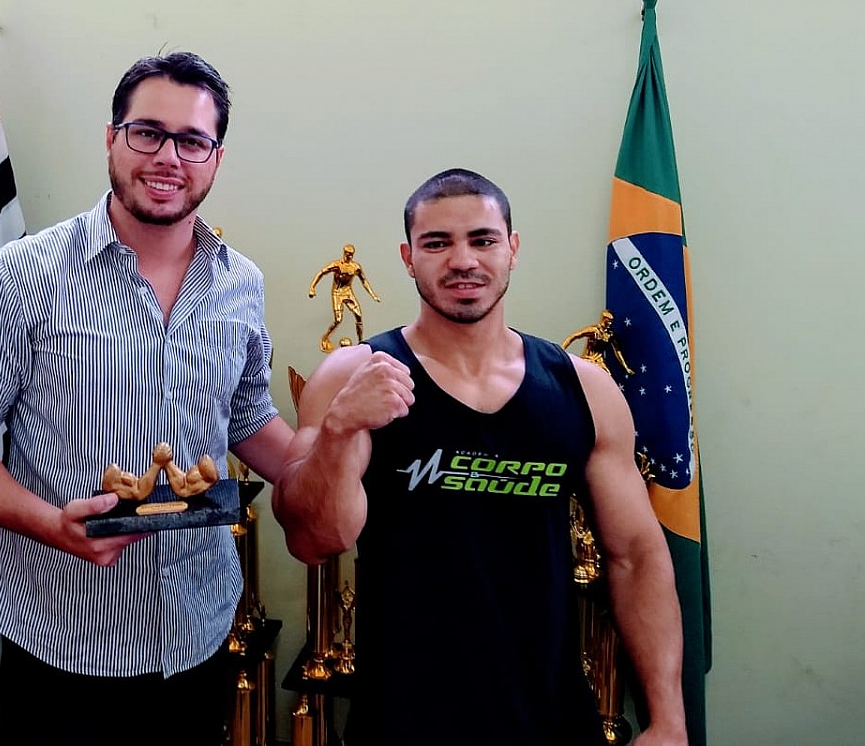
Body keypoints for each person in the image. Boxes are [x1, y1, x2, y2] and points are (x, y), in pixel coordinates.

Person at [0, 51, 295, 745]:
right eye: (146, 132)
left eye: (192, 140)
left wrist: (325, 462)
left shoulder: (242, 283)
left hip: (199, 636)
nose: (168, 157)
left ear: (215, 155)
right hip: (65, 647)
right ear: (111, 136)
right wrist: (52, 522)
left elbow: (244, 418)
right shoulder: (21, 277)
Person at [272, 168, 687, 745]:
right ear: (408, 256)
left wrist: (668, 719)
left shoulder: (583, 389)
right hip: (404, 719)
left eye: (483, 239)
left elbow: (636, 557)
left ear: (512, 249)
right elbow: (315, 539)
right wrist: (340, 430)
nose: (462, 260)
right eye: (437, 243)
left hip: (551, 716)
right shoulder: (354, 375)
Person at [308, 244, 381, 352]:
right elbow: (322, 272)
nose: (350, 256)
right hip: (337, 293)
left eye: (352, 255)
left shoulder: (356, 267)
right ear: (344, 253)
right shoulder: (337, 265)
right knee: (338, 320)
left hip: (348, 292)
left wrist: (373, 295)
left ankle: (361, 342)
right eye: (348, 254)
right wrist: (312, 287)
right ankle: (325, 337)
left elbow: (364, 281)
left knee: (359, 315)